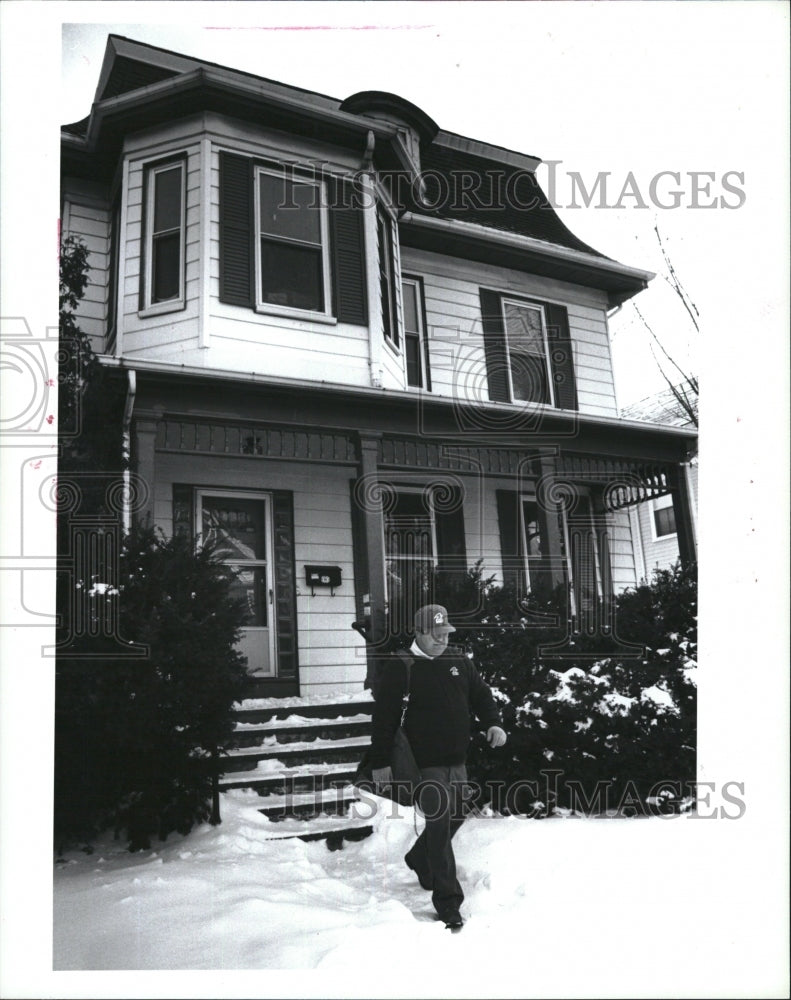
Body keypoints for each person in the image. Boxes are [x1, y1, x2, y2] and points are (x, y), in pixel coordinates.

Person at [368, 604, 507, 930]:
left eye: (446, 634)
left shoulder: (458, 661)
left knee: (459, 811)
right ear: (418, 632)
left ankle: (419, 856)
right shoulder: (402, 666)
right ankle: (448, 903)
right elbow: (384, 719)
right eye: (436, 634)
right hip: (424, 765)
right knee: (441, 827)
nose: (442, 640)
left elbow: (482, 696)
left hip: (456, 760)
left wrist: (493, 723)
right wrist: (379, 762)